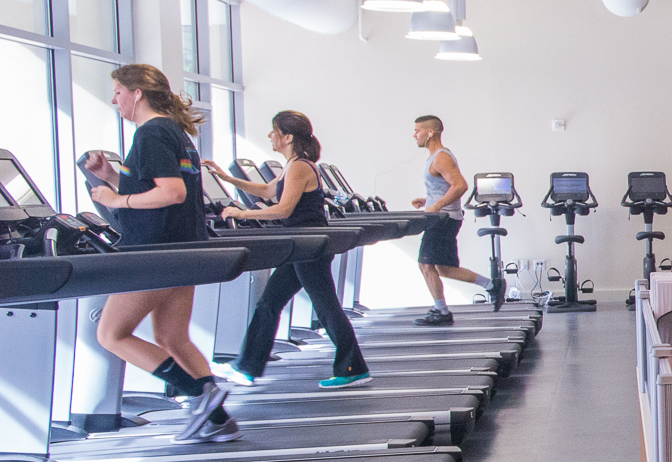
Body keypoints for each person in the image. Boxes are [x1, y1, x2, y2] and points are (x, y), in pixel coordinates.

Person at [79, 63, 234, 442]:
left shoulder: (150, 133)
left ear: (137, 94)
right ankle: (221, 423)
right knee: (172, 337)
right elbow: (162, 187)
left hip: (155, 253)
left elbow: (172, 193)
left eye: (117, 92)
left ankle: (202, 394)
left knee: (111, 334)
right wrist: (112, 178)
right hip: (182, 248)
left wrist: (118, 198)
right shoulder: (174, 132)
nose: (113, 99)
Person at [208, 111, 370, 390]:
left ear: (287, 137)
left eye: (274, 131)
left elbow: (283, 208)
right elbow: (269, 191)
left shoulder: (299, 167)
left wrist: (241, 213)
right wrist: (226, 178)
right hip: (301, 246)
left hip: (310, 245)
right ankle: (247, 367)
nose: (270, 136)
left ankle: (353, 367)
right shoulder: (293, 164)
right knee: (270, 303)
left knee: (326, 306)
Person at [408, 114, 493, 325]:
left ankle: (442, 312)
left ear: (430, 132)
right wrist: (427, 200)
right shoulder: (435, 156)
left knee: (425, 265)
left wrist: (436, 206)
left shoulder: (441, 157)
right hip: (443, 218)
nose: (414, 135)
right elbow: (445, 186)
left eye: (417, 130)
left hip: (442, 220)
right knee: (442, 269)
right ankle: (492, 285)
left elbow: (461, 185)